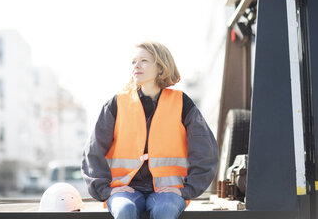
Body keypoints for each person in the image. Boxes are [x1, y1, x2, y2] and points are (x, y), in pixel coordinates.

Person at [81, 41, 218, 219]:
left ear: (161, 67)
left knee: (165, 210)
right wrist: (105, 190)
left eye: (144, 61)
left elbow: (205, 151)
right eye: (133, 61)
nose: (136, 65)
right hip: (125, 190)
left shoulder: (182, 103)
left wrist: (187, 190)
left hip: (168, 192)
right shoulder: (117, 104)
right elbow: (93, 151)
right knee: (124, 210)